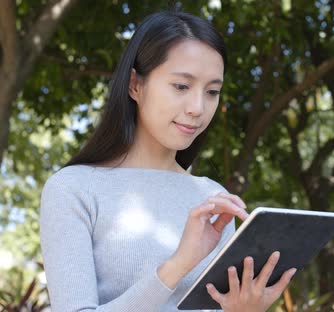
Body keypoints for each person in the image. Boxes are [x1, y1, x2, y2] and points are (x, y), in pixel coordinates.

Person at [39, 9, 297, 312]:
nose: (197, 108)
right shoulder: (73, 189)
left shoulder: (212, 199)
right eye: (181, 86)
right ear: (135, 85)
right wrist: (177, 265)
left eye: (212, 91)